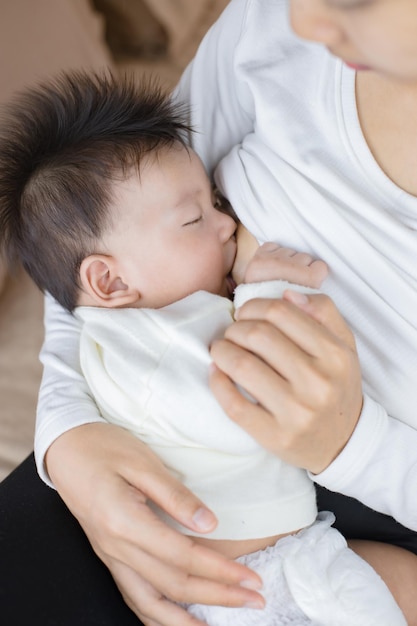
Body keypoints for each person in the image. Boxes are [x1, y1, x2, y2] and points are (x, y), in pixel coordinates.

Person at [1, 1, 417, 625]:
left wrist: (353, 444)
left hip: (371, 497)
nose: (303, 21)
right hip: (131, 457)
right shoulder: (277, 19)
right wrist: (67, 439)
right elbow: (88, 239)